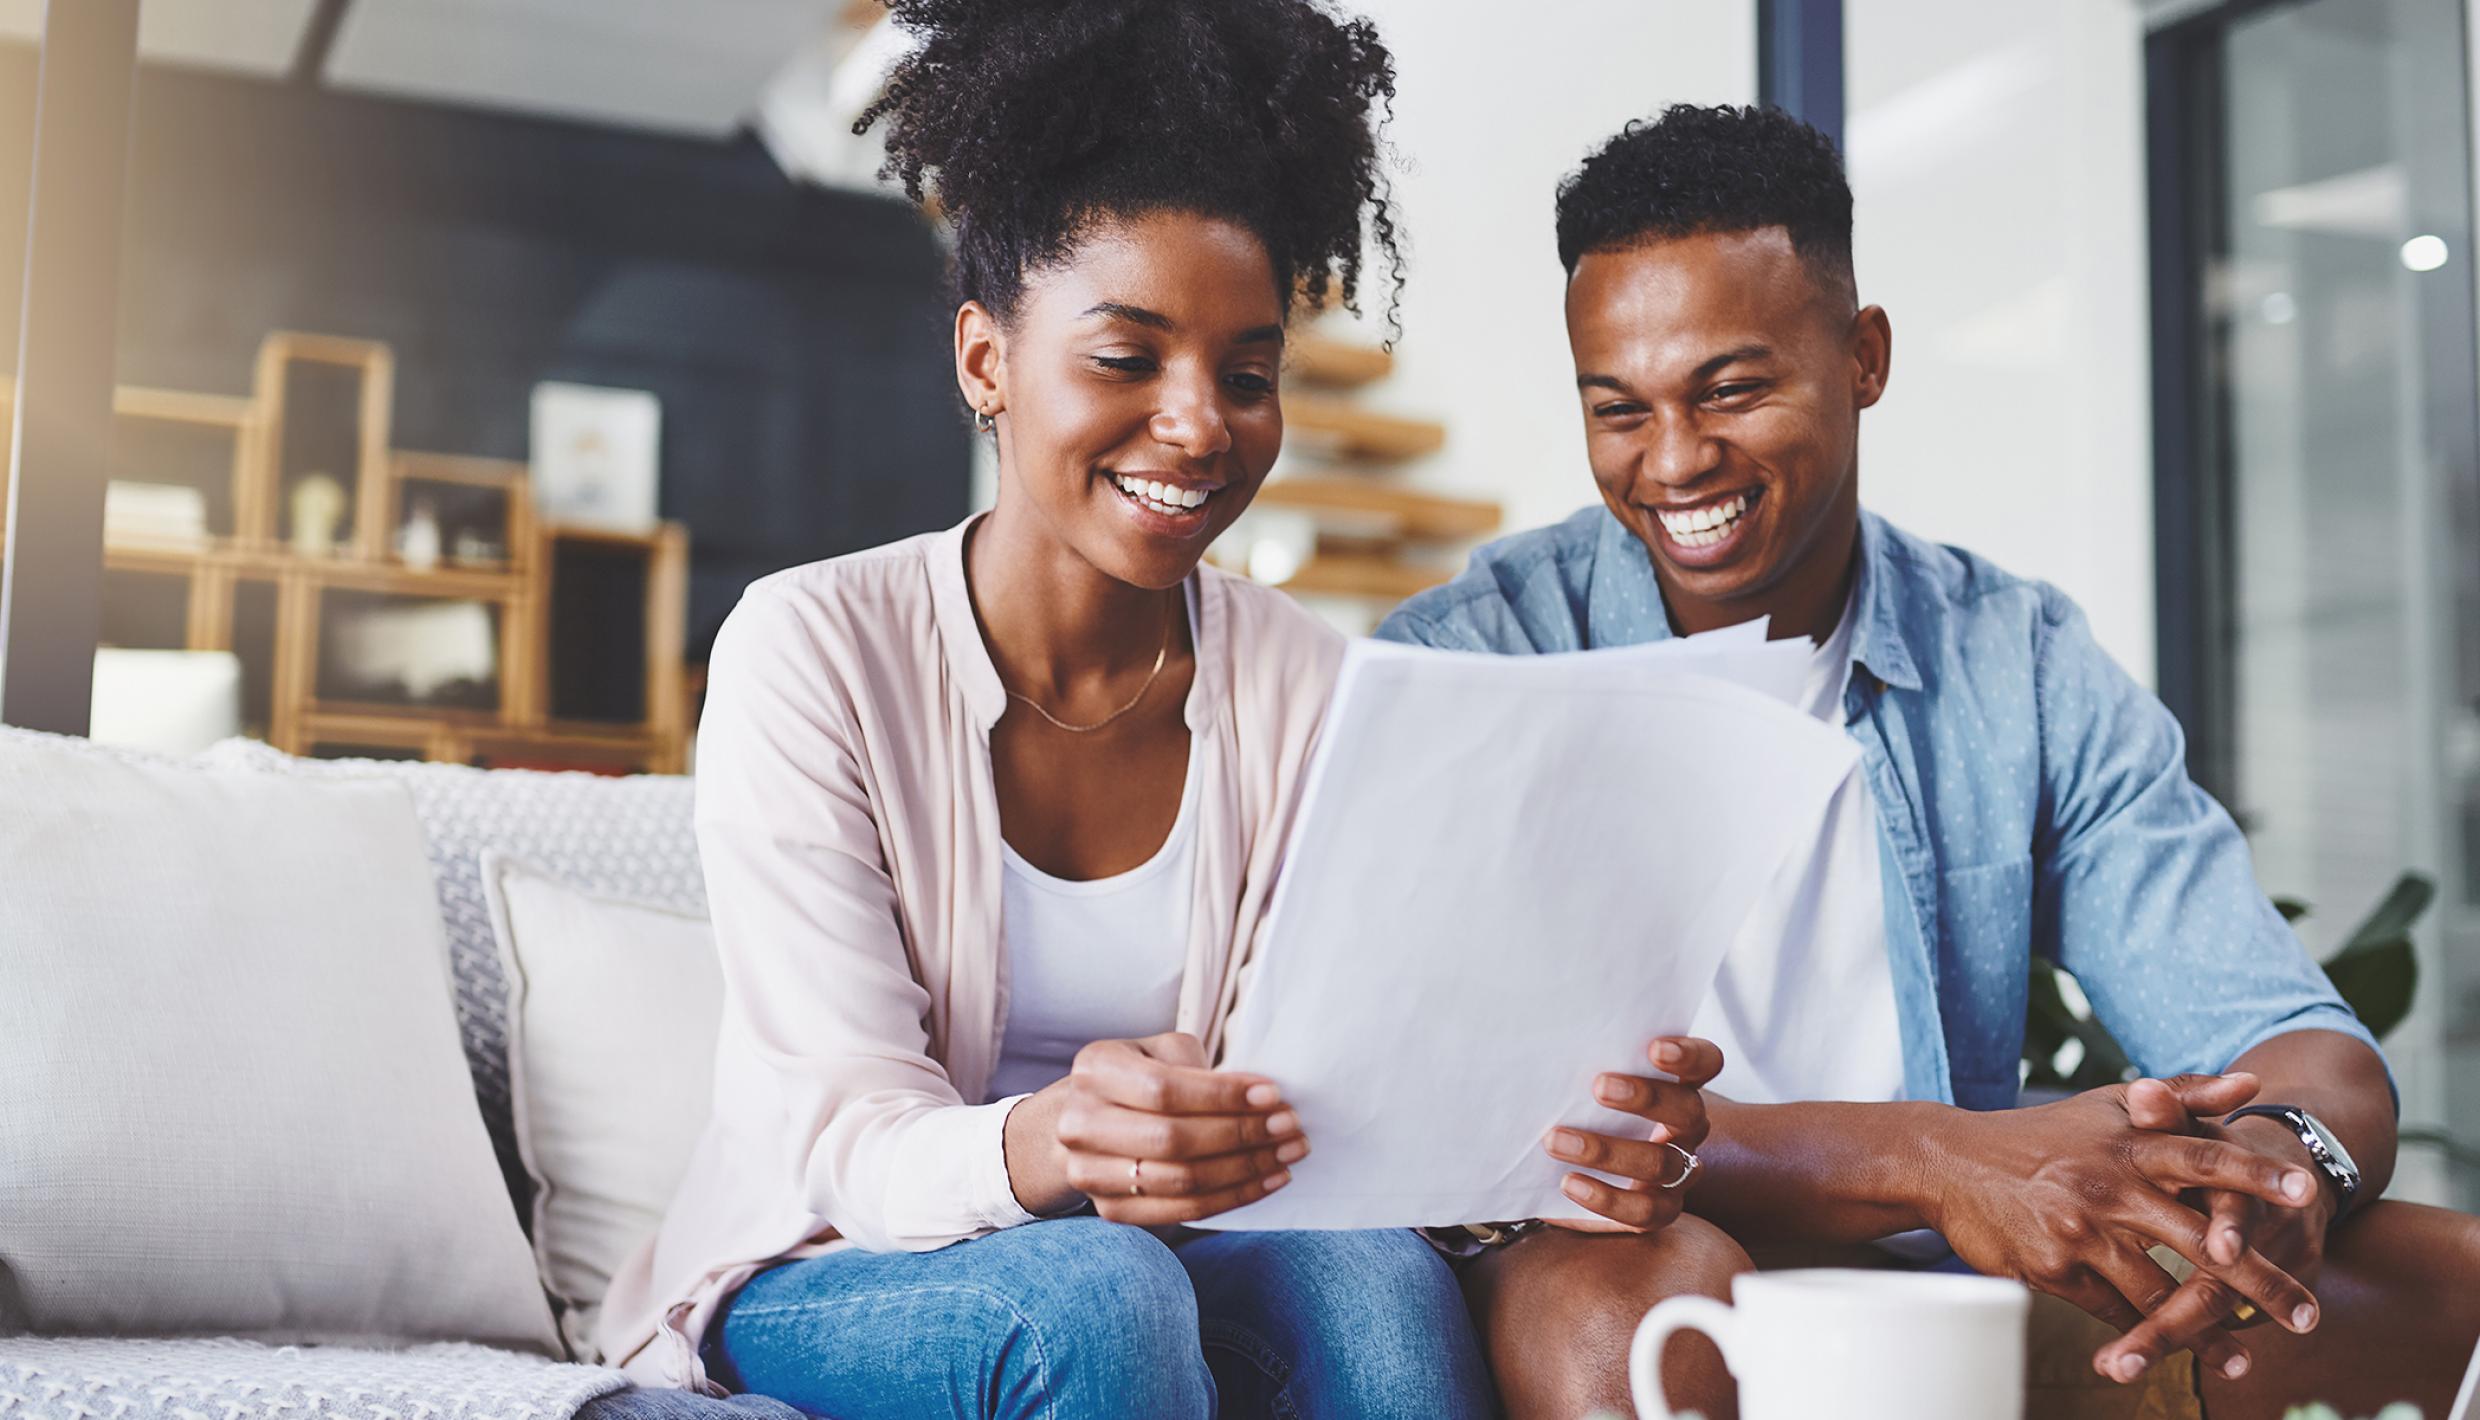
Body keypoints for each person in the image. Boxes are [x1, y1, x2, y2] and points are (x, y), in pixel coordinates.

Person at [1379, 103, 2480, 1420]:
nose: (1672, 463)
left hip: (1943, 1254)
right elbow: (1495, 1118)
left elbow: (2309, 1050)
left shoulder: (2010, 657)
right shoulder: (1473, 663)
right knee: (1632, 1308)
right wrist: (1939, 1158)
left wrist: (2269, 1168)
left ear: (1865, 357)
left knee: (2436, 1279)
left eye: (1731, 389)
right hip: (1631, 1246)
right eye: (1620, 411)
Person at [594, 3, 1520, 1416]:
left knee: (1379, 1277)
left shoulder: (1313, 688)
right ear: (986, 362)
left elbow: (1324, 1084)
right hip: (833, 1253)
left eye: (1249, 372)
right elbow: (843, 1122)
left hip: (1174, 1241)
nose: (1203, 421)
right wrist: (1050, 1143)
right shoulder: (811, 651)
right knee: (1104, 1291)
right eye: (1127, 356)